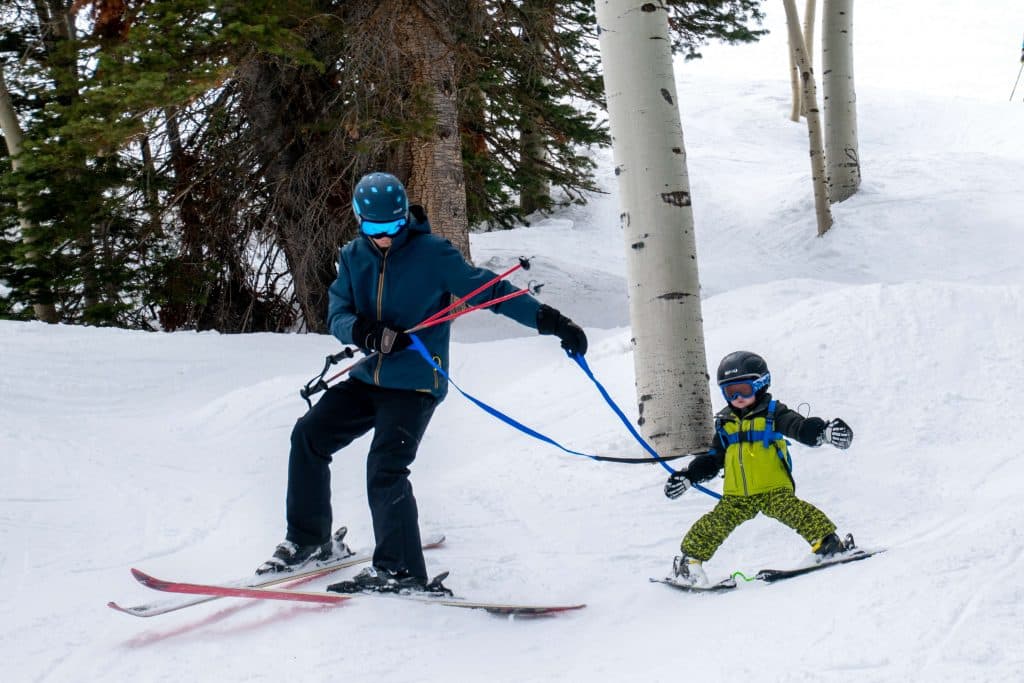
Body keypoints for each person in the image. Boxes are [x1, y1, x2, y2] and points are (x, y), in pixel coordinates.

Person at [256, 172, 587, 594]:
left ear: (403, 219)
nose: (385, 237)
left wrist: (550, 321)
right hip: (368, 376)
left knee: (385, 468)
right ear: (360, 221)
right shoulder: (353, 257)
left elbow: (490, 291)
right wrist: (364, 333)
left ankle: (400, 571)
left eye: (392, 227)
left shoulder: (432, 254)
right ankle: (310, 541)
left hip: (414, 383)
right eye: (375, 229)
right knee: (309, 435)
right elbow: (337, 314)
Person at [662, 351, 854, 586]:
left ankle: (828, 544)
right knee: (714, 524)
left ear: (761, 385)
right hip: (737, 495)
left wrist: (823, 432)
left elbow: (799, 427)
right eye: (730, 392)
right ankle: (688, 563)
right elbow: (714, 458)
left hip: (773, 488)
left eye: (744, 390)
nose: (737, 397)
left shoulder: (774, 413)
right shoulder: (725, 423)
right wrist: (689, 476)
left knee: (796, 512)